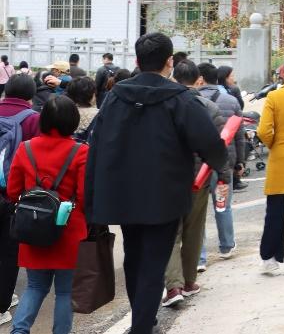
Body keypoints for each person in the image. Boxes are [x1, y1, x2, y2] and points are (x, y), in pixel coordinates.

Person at [84, 32, 227, 334]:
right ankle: (142, 326)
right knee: (153, 262)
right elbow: (209, 143)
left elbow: (95, 146)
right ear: (170, 61)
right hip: (165, 194)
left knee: (134, 258)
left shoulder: (116, 96)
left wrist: (92, 196)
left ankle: (143, 320)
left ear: (137, 61)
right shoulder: (180, 99)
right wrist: (220, 166)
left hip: (122, 193)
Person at [7, 96, 88, 334]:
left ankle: (19, 331)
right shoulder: (81, 152)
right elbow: (85, 197)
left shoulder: (26, 148)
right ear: (72, 121)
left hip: (33, 227)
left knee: (34, 286)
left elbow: (13, 191)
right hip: (68, 230)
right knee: (65, 292)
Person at [162, 60, 232, 307]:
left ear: (174, 78)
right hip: (199, 178)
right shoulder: (209, 107)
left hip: (169, 178)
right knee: (194, 231)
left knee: (172, 232)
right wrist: (223, 176)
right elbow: (219, 146)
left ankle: (173, 287)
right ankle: (189, 281)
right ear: (199, 80)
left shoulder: (166, 105)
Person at [0, 75, 41, 324]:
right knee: (8, 251)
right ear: (30, 95)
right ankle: (1, 306)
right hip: (12, 194)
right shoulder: (33, 119)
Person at [197, 62, 241, 262]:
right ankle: (226, 246)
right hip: (223, 163)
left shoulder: (192, 101)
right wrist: (239, 162)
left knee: (197, 212)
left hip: (198, 165)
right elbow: (239, 135)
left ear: (200, 79)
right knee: (223, 205)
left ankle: (199, 257)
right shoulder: (231, 101)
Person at [258, 56, 284, 275]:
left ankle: (270, 258)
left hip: (280, 158)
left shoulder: (275, 96)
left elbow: (263, 131)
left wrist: (275, 144)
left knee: (275, 211)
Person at [216, 66, 248, 192]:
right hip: (228, 136)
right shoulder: (232, 92)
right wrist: (241, 161)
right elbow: (241, 106)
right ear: (225, 77)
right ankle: (235, 181)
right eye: (231, 76)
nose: (233, 79)